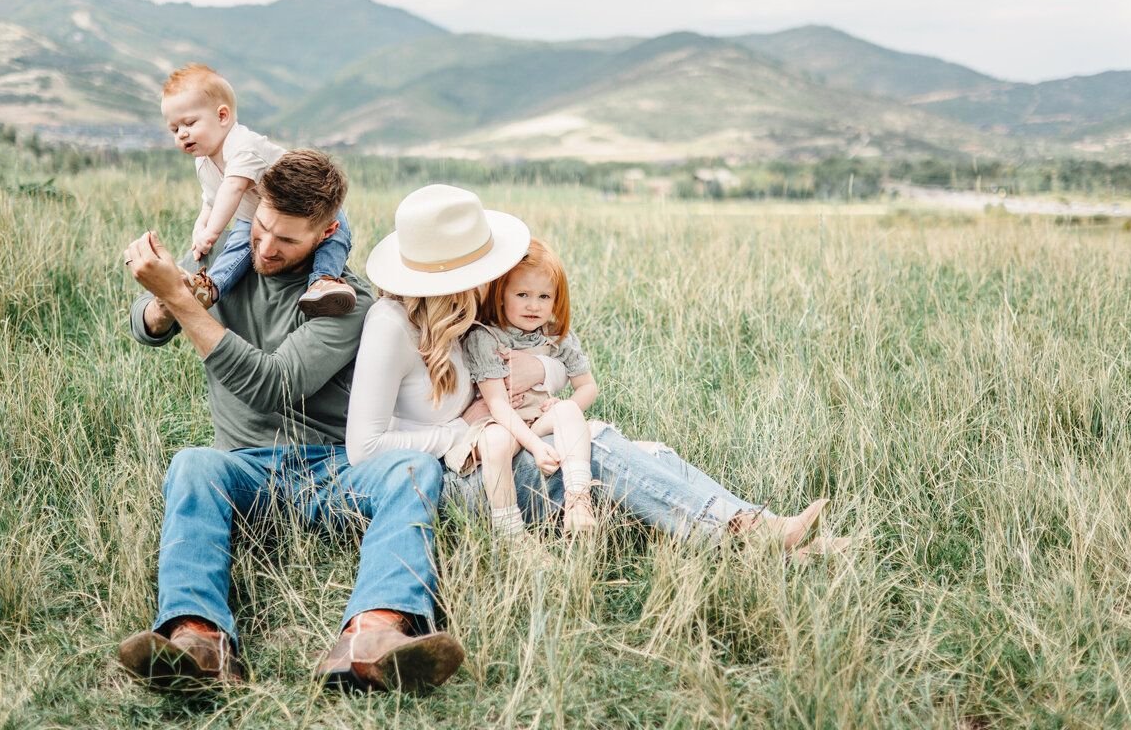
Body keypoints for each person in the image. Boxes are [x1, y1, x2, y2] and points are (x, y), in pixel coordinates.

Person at [117, 150, 465, 693]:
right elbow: (146, 326)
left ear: (327, 233)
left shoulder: (346, 303)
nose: (265, 247)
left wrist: (183, 306)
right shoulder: (227, 268)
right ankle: (198, 640)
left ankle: (374, 637)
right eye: (260, 228)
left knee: (413, 469)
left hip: (332, 471)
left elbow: (275, 385)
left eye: (287, 241)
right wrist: (164, 303)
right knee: (192, 464)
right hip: (243, 471)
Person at [347, 184, 848, 557]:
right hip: (462, 475)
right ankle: (752, 534)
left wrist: (542, 370)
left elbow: (541, 361)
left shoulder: (473, 312)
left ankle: (762, 539)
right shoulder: (391, 325)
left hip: (508, 437)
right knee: (602, 448)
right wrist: (462, 433)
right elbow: (363, 447)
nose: (497, 279)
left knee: (646, 455)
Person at [160, 63, 356, 316]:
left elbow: (232, 187)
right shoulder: (204, 162)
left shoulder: (243, 146)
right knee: (238, 244)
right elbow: (211, 201)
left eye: (189, 123)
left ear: (222, 116)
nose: (182, 134)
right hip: (257, 215)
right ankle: (210, 288)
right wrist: (200, 228)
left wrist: (211, 233)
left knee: (334, 237)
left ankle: (323, 280)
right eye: (175, 129)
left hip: (311, 204)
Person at [446, 239, 599, 540]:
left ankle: (578, 500)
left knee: (567, 409)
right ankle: (510, 531)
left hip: (535, 419)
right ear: (501, 295)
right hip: (500, 422)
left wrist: (558, 406)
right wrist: (536, 445)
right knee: (496, 441)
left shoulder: (558, 336)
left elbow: (588, 386)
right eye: (523, 294)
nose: (534, 305)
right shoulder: (485, 336)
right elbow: (498, 405)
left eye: (544, 296)